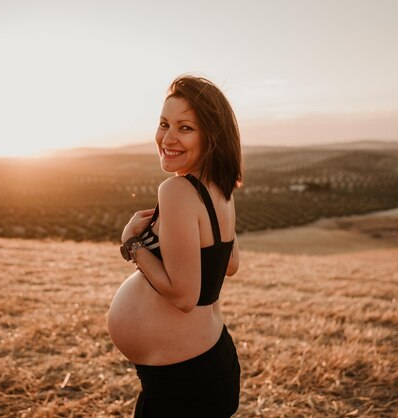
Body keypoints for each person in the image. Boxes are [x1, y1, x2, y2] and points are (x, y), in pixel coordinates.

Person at [107, 75, 243, 417]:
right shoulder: (219, 189)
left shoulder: (177, 191)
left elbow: (184, 296)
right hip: (203, 366)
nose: (167, 138)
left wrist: (132, 243)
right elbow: (229, 263)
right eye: (164, 123)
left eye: (185, 128)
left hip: (186, 379)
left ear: (211, 136)